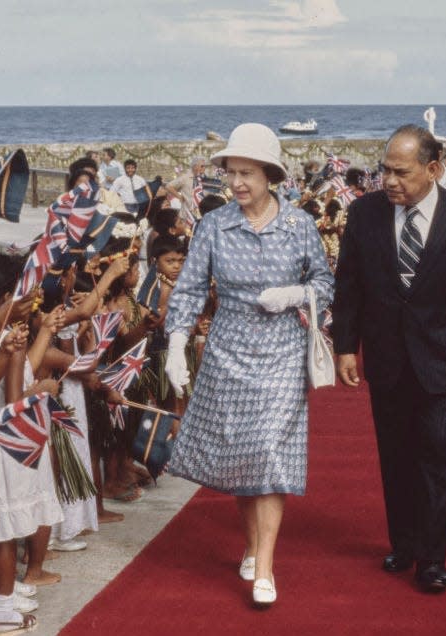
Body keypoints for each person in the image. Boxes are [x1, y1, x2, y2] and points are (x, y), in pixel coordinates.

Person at [164, 123, 334, 606]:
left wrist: (297, 293)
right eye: (230, 173)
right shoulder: (214, 225)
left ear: (270, 175)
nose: (236, 182)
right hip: (228, 349)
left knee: (268, 452)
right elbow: (192, 287)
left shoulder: (299, 225)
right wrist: (177, 343)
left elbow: (326, 282)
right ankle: (253, 544)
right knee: (243, 456)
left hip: (282, 348)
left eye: (246, 173)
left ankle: (265, 568)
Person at [333, 124, 446, 594]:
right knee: (396, 457)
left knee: (437, 454)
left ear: (433, 169)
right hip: (386, 360)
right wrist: (346, 346)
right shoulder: (364, 214)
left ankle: (431, 559)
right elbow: (348, 286)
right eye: (385, 169)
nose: (389, 180)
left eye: (400, 172)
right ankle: (403, 544)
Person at [164, 156, 207, 224]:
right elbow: (168, 186)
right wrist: (179, 196)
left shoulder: (201, 178)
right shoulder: (185, 178)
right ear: (195, 166)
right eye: (202, 166)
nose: (204, 168)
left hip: (199, 213)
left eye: (205, 166)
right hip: (187, 214)